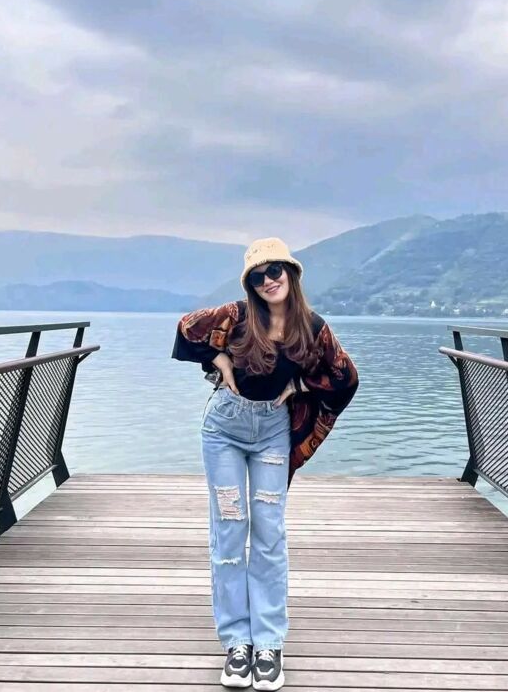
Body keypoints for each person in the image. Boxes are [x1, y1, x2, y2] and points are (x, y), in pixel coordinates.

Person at [171, 236, 359, 690]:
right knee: (229, 529)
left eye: (275, 271)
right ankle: (237, 643)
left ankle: (269, 643)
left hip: (273, 432)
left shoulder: (312, 328)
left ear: (290, 274)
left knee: (269, 533)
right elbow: (185, 329)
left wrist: (301, 388)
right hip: (223, 430)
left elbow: (345, 378)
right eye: (257, 276)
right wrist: (220, 358)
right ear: (249, 284)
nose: (268, 281)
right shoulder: (236, 317)